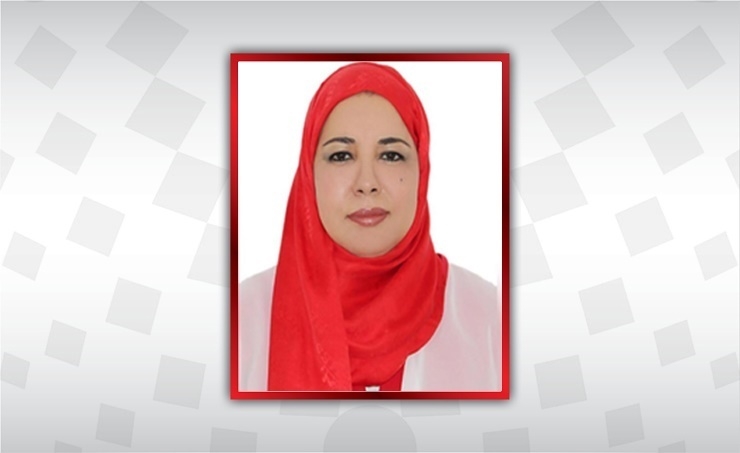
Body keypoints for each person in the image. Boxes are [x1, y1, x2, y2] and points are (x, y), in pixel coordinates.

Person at [239, 62, 500, 392]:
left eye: (391, 156)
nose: (366, 183)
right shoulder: (242, 320)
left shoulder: (491, 318)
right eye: (341, 156)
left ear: (421, 171)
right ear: (309, 173)